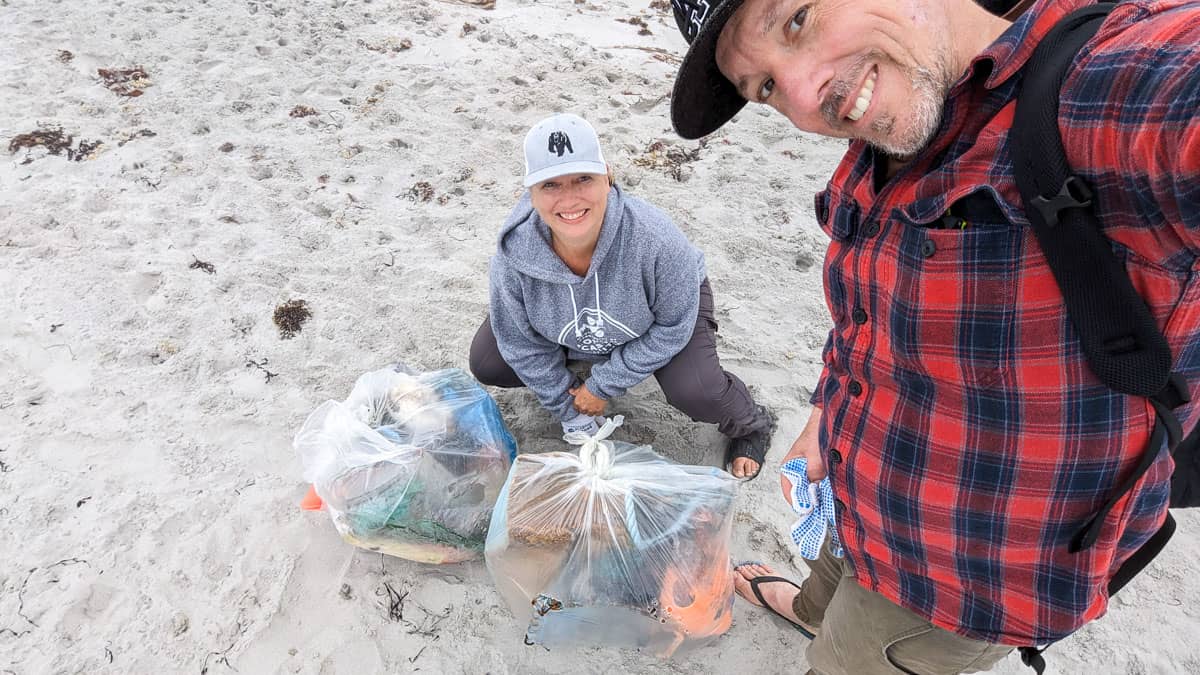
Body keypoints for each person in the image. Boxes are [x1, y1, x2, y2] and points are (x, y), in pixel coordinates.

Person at [665, 0, 1200, 673]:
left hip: (946, 586)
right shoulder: (890, 126)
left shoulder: (1110, 91)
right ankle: (809, 608)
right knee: (830, 587)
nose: (804, 96)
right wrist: (830, 404)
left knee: (849, 656)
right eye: (765, 86)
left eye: (796, 19)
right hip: (859, 494)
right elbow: (878, 309)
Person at [469, 112, 774, 478]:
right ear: (531, 194)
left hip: (658, 319)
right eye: (551, 185)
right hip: (576, 327)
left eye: (583, 178)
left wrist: (601, 385)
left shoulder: (657, 240)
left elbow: (673, 326)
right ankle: (578, 367)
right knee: (490, 361)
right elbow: (520, 343)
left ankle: (751, 423)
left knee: (696, 390)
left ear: (607, 177)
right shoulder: (513, 255)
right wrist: (568, 406)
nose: (569, 199)